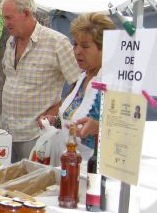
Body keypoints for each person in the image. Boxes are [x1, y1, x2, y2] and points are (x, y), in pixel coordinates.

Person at [0, 0, 82, 162]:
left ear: (26, 13)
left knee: (31, 185)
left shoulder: (56, 42)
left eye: (9, 18)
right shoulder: (11, 42)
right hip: (6, 132)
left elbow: (78, 85)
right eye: (4, 18)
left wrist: (56, 112)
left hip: (36, 135)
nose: (6, 23)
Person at [39, 13, 116, 158]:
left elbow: (125, 130)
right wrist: (54, 121)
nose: (77, 51)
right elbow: (72, 116)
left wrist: (98, 127)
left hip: (93, 167)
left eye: (85, 46)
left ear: (104, 48)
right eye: (75, 44)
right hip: (68, 161)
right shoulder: (82, 78)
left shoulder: (112, 83)